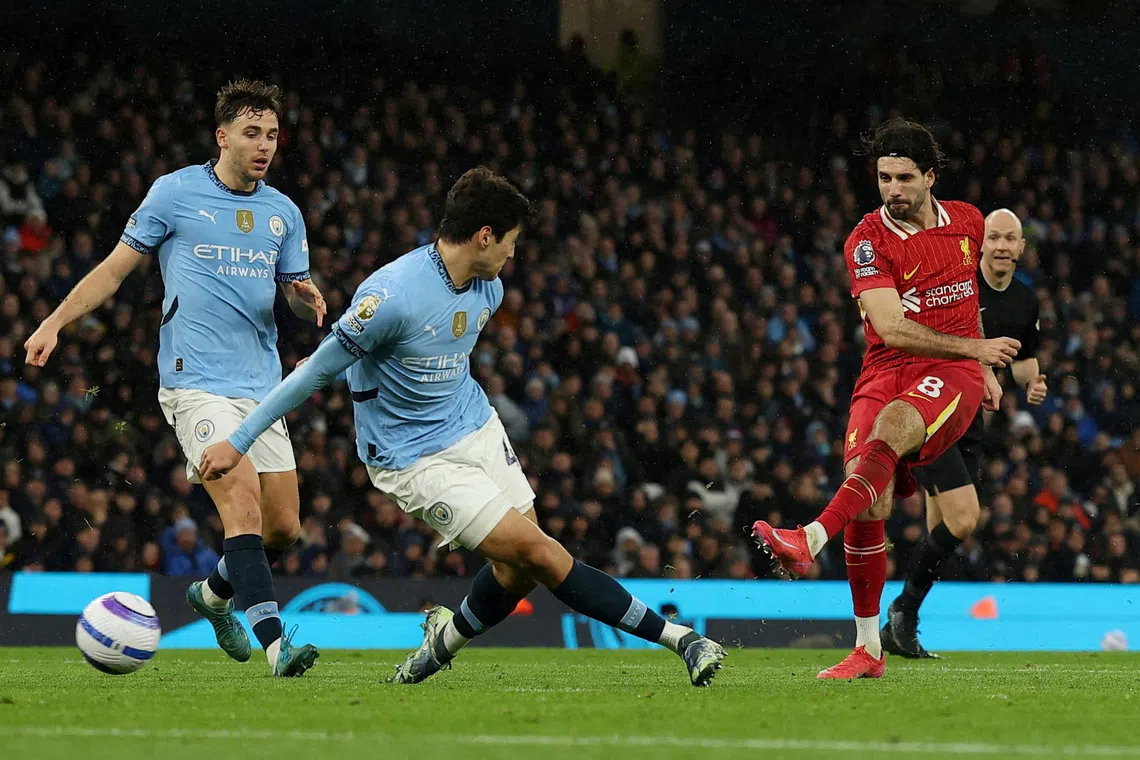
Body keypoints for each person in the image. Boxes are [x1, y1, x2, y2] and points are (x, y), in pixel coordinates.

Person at [198, 167, 727, 687]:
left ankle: (440, 646)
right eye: (510, 243)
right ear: (484, 235)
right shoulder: (392, 296)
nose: (512, 256)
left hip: (475, 427)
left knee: (517, 571)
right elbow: (314, 371)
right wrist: (238, 441)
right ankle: (682, 639)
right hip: (414, 458)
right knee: (542, 554)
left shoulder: (487, 289)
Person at [24, 79, 325, 677]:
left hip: (263, 387)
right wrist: (55, 321)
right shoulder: (175, 193)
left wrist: (302, 296)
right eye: (251, 133)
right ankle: (275, 646)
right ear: (222, 137)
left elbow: (291, 300)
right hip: (195, 382)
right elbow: (113, 272)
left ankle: (210, 597)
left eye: (271, 134)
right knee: (240, 506)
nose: (264, 145)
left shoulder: (284, 213)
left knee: (284, 527)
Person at [751, 118, 1021, 678]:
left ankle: (809, 536)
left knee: (893, 427)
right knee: (866, 494)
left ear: (930, 177)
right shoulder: (866, 241)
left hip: (949, 372)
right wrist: (979, 346)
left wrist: (977, 361)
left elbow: (968, 298)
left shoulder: (968, 223)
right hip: (884, 366)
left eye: (903, 178)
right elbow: (891, 328)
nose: (892, 190)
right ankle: (869, 649)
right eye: (882, 178)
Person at [882, 208, 1046, 658]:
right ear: (980, 242)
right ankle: (899, 612)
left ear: (1021, 248)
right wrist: (978, 366)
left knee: (941, 532)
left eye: (1010, 239)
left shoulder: (1025, 301)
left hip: (971, 419)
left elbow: (1022, 360)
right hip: (935, 407)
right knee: (963, 518)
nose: (1001, 246)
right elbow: (938, 339)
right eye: (993, 237)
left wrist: (1033, 382)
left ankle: (899, 626)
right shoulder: (956, 286)